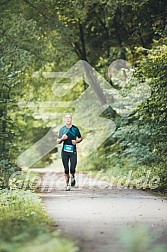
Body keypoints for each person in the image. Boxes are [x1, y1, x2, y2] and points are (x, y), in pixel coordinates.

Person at [57, 114, 83, 191]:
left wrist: (76, 141)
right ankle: (67, 184)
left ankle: (73, 176)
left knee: (72, 168)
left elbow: (80, 138)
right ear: (65, 120)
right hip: (64, 152)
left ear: (71, 119)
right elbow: (58, 141)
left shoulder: (75, 129)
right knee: (66, 169)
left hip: (73, 151)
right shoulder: (62, 129)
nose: (68, 119)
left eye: (69, 118)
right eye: (67, 118)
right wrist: (62, 138)